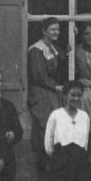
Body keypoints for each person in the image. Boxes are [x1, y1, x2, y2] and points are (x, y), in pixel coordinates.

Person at [28, 17, 66, 171]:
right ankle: (46, 159)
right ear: (44, 31)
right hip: (40, 89)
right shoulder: (37, 50)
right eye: (52, 29)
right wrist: (55, 86)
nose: (56, 32)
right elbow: (39, 76)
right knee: (48, 118)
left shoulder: (53, 48)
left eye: (58, 29)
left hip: (51, 87)